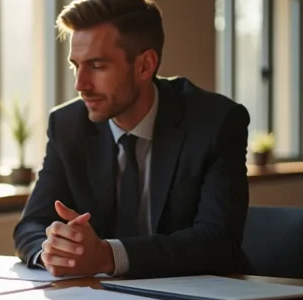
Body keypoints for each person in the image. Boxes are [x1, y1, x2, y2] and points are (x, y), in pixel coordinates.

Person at [13, 0, 254, 279]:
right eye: (75, 66)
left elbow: (218, 241)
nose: (80, 85)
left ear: (144, 65)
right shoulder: (68, 125)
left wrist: (108, 255)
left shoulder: (216, 122)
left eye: (97, 66)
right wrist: (53, 251)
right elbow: (31, 225)